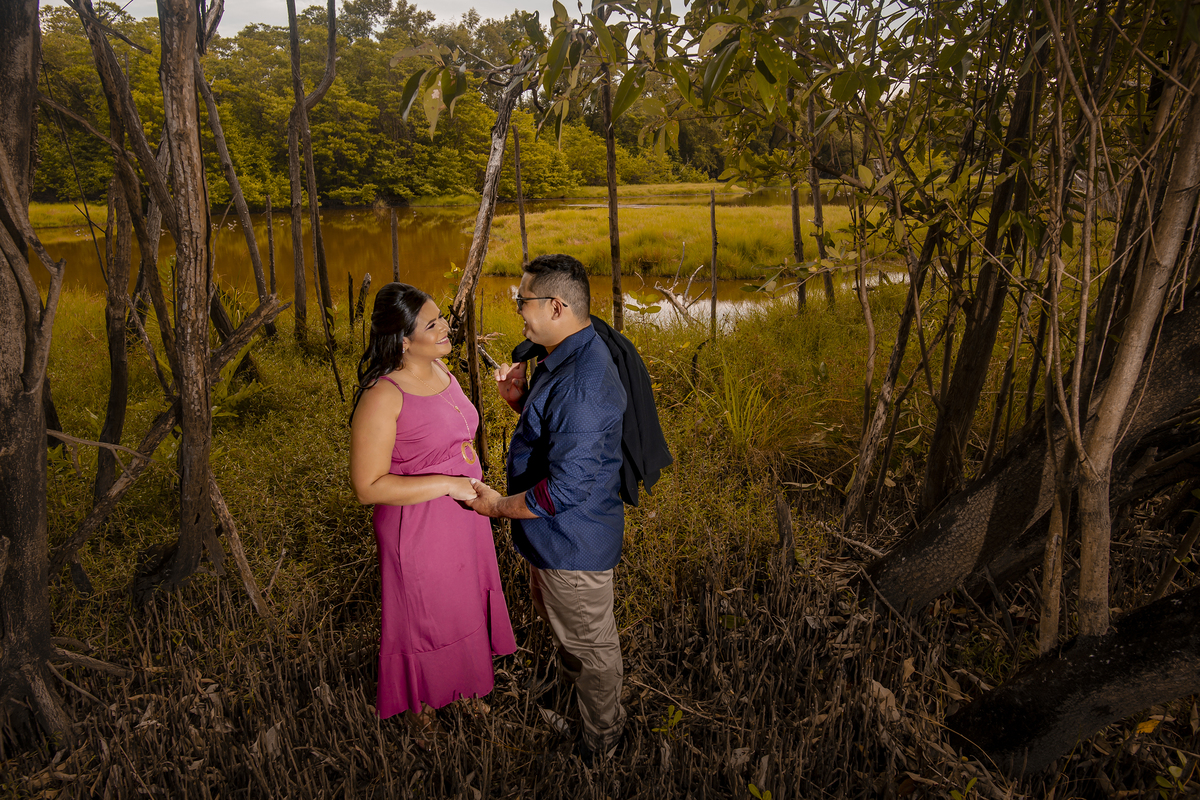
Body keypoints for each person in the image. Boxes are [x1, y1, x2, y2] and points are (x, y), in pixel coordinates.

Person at [467, 254, 628, 764]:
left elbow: (563, 490)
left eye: (523, 301)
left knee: (591, 651)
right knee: (570, 636)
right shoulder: (562, 355)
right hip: (552, 541)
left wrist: (496, 507)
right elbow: (560, 438)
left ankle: (602, 743)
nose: (518, 311)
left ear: (556, 306)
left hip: (571, 543)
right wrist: (518, 400)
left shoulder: (582, 380)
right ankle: (577, 711)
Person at [349, 282, 516, 725]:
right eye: (432, 323)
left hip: (462, 514)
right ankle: (418, 700)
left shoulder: (444, 372)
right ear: (404, 339)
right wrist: (447, 483)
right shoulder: (383, 395)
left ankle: (461, 687)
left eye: (442, 317)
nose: (446, 327)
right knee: (423, 612)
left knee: (459, 605)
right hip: (417, 522)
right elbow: (367, 486)